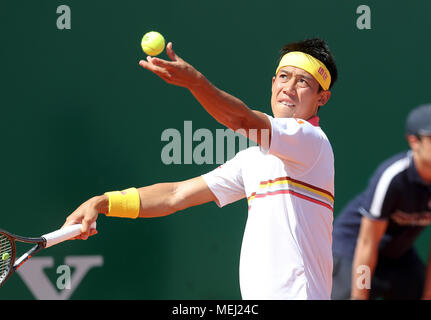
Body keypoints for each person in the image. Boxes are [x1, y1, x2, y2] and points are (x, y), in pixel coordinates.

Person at [63, 38, 338, 299]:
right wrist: (102, 203)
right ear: (273, 82)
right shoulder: (254, 160)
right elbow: (174, 195)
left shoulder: (311, 141)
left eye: (302, 81)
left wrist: (195, 83)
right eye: (284, 76)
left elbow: (241, 119)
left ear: (321, 99)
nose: (289, 87)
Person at [331, 104, 431, 300]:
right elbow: (367, 242)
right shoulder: (393, 177)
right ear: (414, 141)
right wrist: (360, 295)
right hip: (354, 249)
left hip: (397, 254)